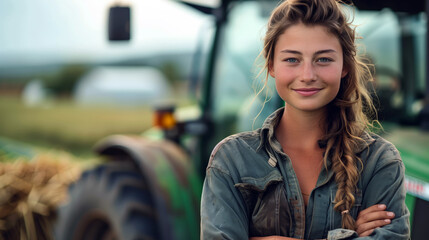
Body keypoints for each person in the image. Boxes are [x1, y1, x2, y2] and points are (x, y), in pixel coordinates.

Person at [200, 0, 410, 239]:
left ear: (344, 66)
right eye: (292, 59)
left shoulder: (379, 161)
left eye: (323, 59)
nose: (307, 75)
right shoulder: (231, 160)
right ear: (271, 65)